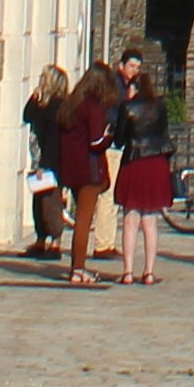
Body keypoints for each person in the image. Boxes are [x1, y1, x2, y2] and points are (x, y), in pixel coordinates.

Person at [54, 60, 120, 285]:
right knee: (84, 220)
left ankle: (77, 266)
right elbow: (96, 141)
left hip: (70, 169)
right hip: (89, 169)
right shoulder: (93, 106)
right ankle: (78, 269)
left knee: (81, 220)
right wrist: (109, 136)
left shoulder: (71, 103)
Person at [111, 66, 175, 288]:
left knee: (131, 218)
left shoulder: (127, 107)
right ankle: (148, 272)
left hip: (135, 161)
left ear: (134, 87)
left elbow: (119, 139)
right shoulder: (161, 106)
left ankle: (128, 271)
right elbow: (164, 133)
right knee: (150, 220)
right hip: (156, 162)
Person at [21, 63, 69, 258]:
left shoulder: (57, 106)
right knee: (38, 201)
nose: (40, 80)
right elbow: (27, 116)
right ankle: (40, 239)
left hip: (51, 162)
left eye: (44, 77)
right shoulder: (43, 103)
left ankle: (55, 242)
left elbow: (53, 139)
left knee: (51, 202)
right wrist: (34, 98)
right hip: (39, 159)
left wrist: (46, 165)